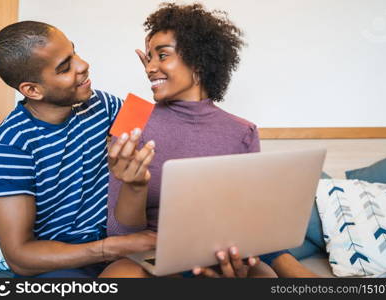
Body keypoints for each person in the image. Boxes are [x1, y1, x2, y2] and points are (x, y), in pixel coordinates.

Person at [104, 3, 318, 278]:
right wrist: (134, 187)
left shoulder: (243, 132)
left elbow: (249, 221)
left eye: (162, 56)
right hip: (149, 257)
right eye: (148, 57)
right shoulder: (133, 118)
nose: (150, 68)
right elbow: (120, 234)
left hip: (217, 255)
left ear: (199, 61)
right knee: (121, 277)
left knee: (263, 276)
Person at [0, 21, 156, 277]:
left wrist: (161, 83)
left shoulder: (102, 105)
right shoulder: (10, 145)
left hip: (114, 249)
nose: (83, 65)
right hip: (58, 263)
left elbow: (161, 130)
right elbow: (20, 256)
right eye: (65, 67)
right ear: (32, 90)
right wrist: (109, 248)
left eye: (74, 52)